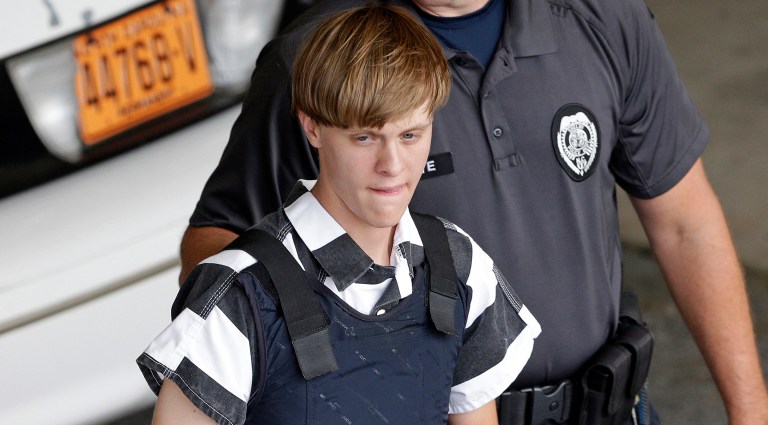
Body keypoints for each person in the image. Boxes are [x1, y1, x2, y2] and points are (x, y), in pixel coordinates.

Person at [180, 0, 768, 424]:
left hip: (610, 407)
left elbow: (686, 222)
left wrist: (750, 410)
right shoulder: (329, 54)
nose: (390, 160)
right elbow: (219, 248)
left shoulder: (603, 17)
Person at [138, 5, 541, 425]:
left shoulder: (459, 263)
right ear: (312, 127)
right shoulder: (240, 296)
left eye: (410, 135)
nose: (392, 164)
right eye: (364, 137)